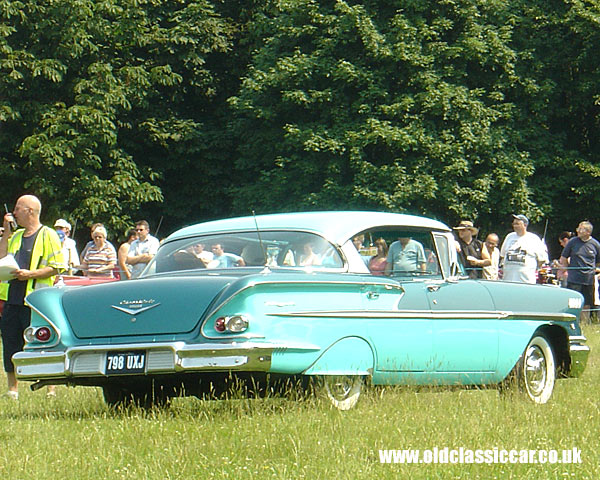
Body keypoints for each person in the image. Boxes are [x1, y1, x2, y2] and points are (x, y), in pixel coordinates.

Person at [0, 195, 64, 399]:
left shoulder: (49, 235)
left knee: (43, 343)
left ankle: (51, 388)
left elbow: (57, 267)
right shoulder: (16, 236)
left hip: (36, 301)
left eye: (18, 208)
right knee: (10, 342)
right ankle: (12, 389)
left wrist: (30, 274)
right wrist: (6, 233)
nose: (14, 212)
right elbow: (2, 258)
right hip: (12, 299)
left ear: (30, 211)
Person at [559, 221, 600, 324]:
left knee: (587, 304)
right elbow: (563, 258)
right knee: (574, 303)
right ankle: (573, 323)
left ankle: (585, 325)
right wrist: (565, 269)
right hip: (574, 279)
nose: (578, 230)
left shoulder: (595, 244)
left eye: (580, 229)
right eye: (578, 228)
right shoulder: (573, 242)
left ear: (588, 232)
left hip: (589, 280)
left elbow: (598, 262)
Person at [500, 214, 548, 284]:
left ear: (525, 225)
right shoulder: (509, 237)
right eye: (514, 224)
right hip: (508, 280)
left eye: (517, 224)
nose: (514, 226)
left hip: (526, 281)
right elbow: (503, 255)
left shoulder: (533, 239)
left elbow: (542, 260)